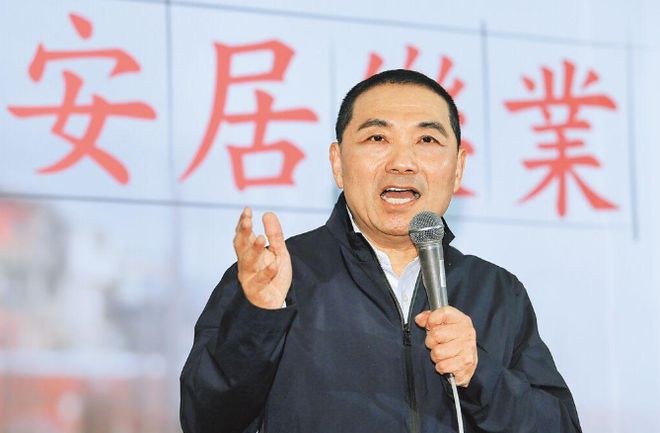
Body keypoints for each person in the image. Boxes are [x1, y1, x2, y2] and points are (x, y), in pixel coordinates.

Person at [179, 69, 582, 433]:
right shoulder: (277, 277)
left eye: (427, 140)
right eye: (377, 138)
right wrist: (258, 321)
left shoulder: (495, 290)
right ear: (338, 163)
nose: (402, 162)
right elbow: (205, 422)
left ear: (458, 168)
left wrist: (480, 373)